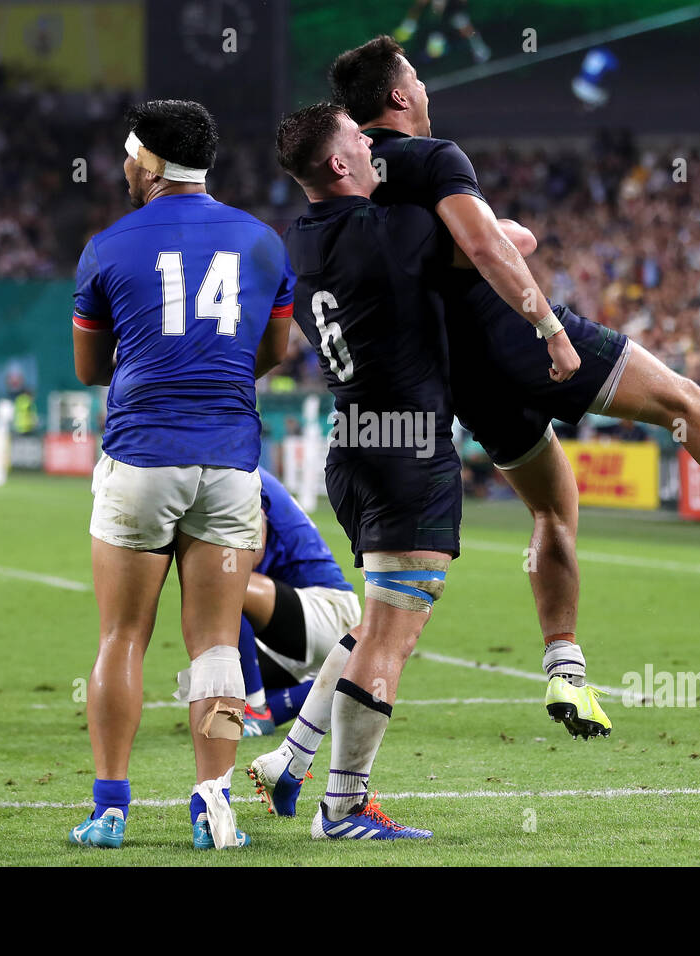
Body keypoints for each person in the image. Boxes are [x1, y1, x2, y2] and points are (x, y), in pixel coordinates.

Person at [327, 35, 700, 712]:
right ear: (398, 95)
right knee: (681, 401)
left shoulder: (350, 182)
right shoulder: (434, 157)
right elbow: (491, 245)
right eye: (417, 79)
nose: (425, 89)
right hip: (518, 334)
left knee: (549, 507)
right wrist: (547, 325)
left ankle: (565, 668)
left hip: (458, 375)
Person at [66, 99, 294, 851]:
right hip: (229, 465)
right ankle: (214, 805)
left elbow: (92, 367)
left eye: (130, 156)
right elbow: (276, 352)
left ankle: (109, 809)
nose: (123, 168)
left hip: (140, 458)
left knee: (122, 637)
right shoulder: (263, 243)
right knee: (218, 647)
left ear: (151, 166)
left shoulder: (105, 247)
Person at [251, 102, 474, 839]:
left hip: (354, 440)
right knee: (393, 637)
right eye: (360, 136)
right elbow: (498, 240)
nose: (375, 143)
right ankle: (344, 807)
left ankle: (294, 756)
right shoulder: (391, 233)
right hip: (407, 442)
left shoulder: (300, 237)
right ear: (341, 164)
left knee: (375, 625)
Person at [236, 467, 361, 742]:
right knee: (206, 689)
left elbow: (250, 555)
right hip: (287, 620)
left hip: (326, 607)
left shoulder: (240, 471)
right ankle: (342, 686)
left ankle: (256, 709)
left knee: (224, 585)